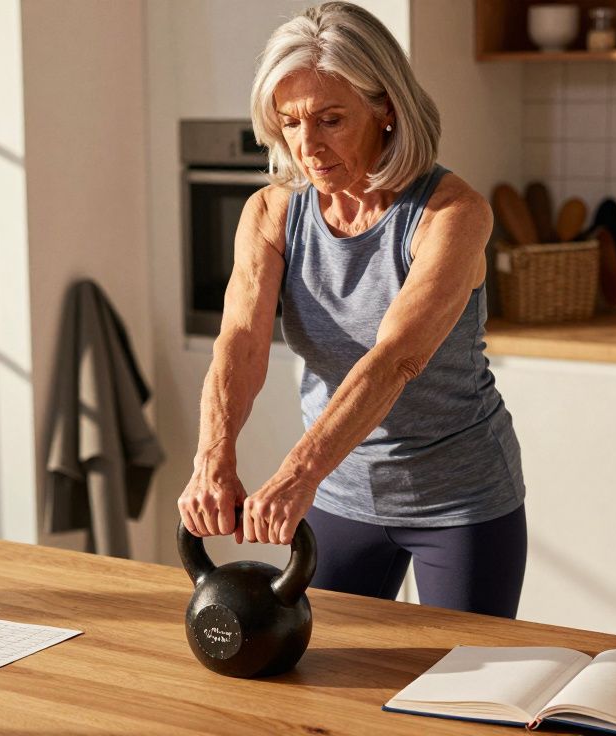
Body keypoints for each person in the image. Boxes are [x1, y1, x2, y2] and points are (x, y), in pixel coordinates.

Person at [176, 1, 526, 617]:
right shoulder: (273, 212)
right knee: (327, 684)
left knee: (467, 692)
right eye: (289, 124)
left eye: (330, 119)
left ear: (385, 107)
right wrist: (214, 457)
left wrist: (295, 474)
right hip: (339, 492)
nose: (306, 147)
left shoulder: (452, 214)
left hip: (459, 498)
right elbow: (241, 341)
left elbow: (395, 359)